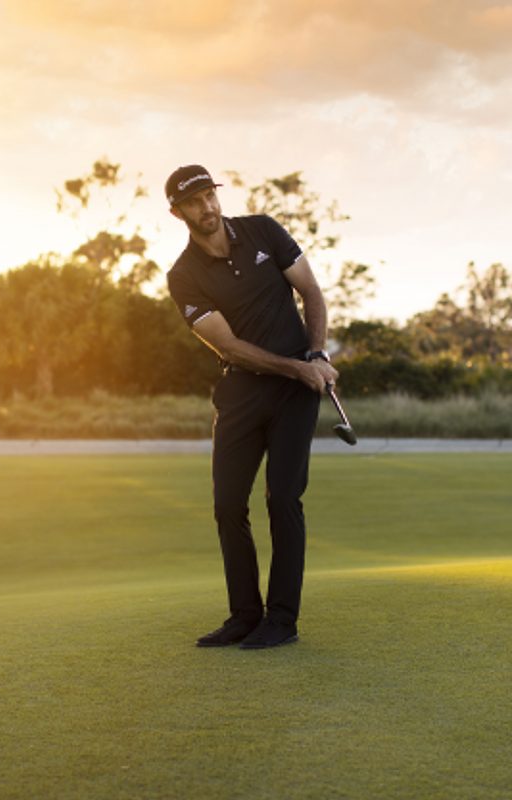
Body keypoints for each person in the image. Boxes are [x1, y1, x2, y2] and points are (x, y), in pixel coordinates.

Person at [164, 164, 338, 649]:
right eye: (194, 202)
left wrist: (318, 355)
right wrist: (298, 367)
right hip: (242, 392)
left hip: (293, 396)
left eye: (210, 196)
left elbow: (311, 292)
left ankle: (281, 620)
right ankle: (244, 615)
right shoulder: (183, 276)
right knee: (226, 505)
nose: (208, 207)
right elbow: (230, 348)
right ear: (177, 212)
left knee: (282, 499)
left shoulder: (263, 230)